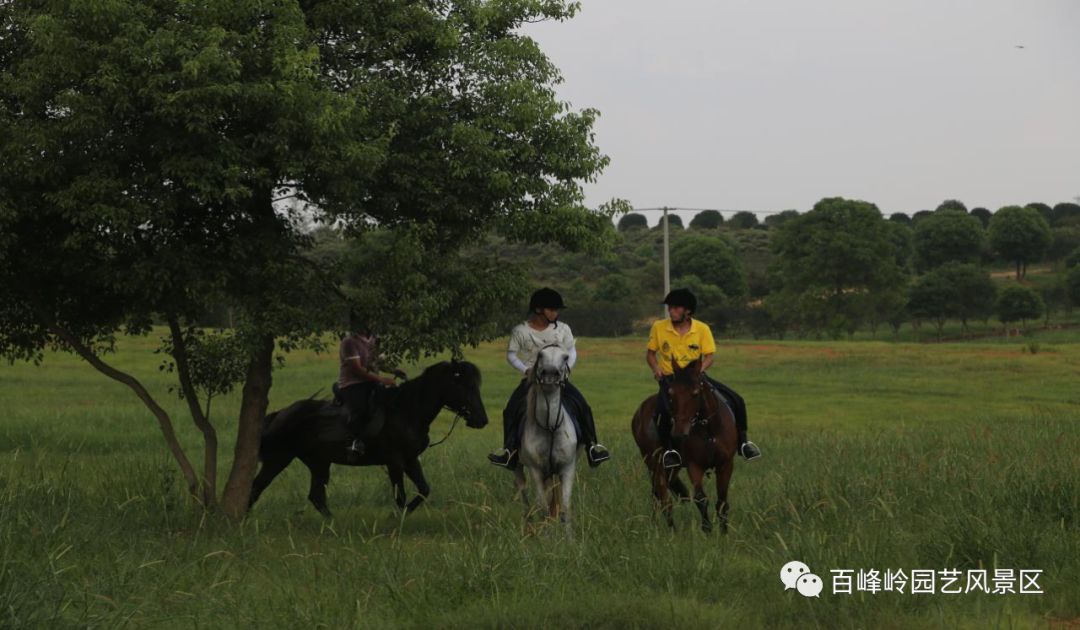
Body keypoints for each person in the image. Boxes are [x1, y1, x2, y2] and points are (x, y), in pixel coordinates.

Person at [488, 288, 611, 469]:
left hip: (559, 380)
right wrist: (525, 370)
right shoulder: (521, 331)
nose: (556, 312)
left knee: (583, 405)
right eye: (552, 309)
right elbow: (511, 355)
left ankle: (592, 447)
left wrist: (567, 368)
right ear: (539, 310)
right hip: (532, 381)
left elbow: (571, 351)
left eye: (557, 309)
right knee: (511, 409)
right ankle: (509, 452)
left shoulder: (563, 329)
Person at [646, 288, 761, 469]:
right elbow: (651, 354)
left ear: (688, 311)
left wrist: (700, 370)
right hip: (671, 379)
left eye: (675, 308)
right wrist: (656, 368)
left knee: (737, 399)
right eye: (670, 308)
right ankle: (669, 451)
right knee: (661, 412)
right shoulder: (659, 327)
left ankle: (744, 443)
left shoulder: (702, 329)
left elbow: (709, 356)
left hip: (695, 377)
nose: (671, 311)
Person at [339, 318, 398, 461]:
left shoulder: (374, 339)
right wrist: (383, 379)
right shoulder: (349, 342)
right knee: (361, 409)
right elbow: (357, 370)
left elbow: (375, 362)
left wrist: (395, 370)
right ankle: (353, 442)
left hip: (370, 382)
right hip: (352, 384)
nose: (371, 322)